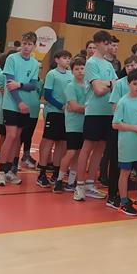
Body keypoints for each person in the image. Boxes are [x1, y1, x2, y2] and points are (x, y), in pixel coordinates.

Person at [74, 30, 117, 201]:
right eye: (106, 44)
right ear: (98, 43)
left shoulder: (109, 65)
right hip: (94, 112)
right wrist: (110, 84)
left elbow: (117, 85)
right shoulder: (91, 63)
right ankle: (79, 185)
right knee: (87, 148)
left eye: (110, 44)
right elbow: (98, 90)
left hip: (108, 112)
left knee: (100, 149)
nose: (109, 47)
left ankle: (90, 183)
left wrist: (107, 83)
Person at [0, 33, 39, 187]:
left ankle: (10, 169)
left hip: (26, 106)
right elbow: (10, 84)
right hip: (11, 105)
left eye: (30, 44)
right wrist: (19, 102)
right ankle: (1, 172)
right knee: (11, 135)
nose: (26, 47)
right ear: (21, 43)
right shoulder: (12, 59)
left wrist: (20, 84)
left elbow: (33, 85)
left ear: (34, 46)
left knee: (17, 138)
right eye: (24, 43)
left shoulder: (34, 63)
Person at [105, 55, 137, 207]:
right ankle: (112, 194)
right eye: (127, 66)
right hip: (122, 128)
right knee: (117, 162)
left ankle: (124, 194)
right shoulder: (120, 84)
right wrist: (129, 123)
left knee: (130, 163)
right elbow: (115, 107)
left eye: (133, 65)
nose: (130, 68)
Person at [111, 69, 137, 216]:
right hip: (127, 142)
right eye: (135, 84)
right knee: (125, 171)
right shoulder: (123, 102)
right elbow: (115, 124)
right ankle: (123, 202)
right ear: (129, 84)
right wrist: (136, 128)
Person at [37, 50, 73, 185]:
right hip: (54, 112)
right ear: (57, 60)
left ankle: (56, 173)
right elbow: (47, 95)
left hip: (66, 115)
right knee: (48, 141)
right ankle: (42, 172)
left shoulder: (71, 75)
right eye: (64, 58)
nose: (67, 60)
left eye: (69, 58)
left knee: (61, 143)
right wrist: (61, 106)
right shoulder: (52, 74)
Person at [54, 57, 87, 193]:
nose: (80, 71)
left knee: (79, 154)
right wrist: (89, 108)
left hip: (85, 124)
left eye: (82, 68)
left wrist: (83, 108)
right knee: (71, 152)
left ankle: (71, 182)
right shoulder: (71, 86)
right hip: (73, 124)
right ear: (72, 71)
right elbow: (74, 107)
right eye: (77, 69)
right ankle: (59, 180)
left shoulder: (88, 86)